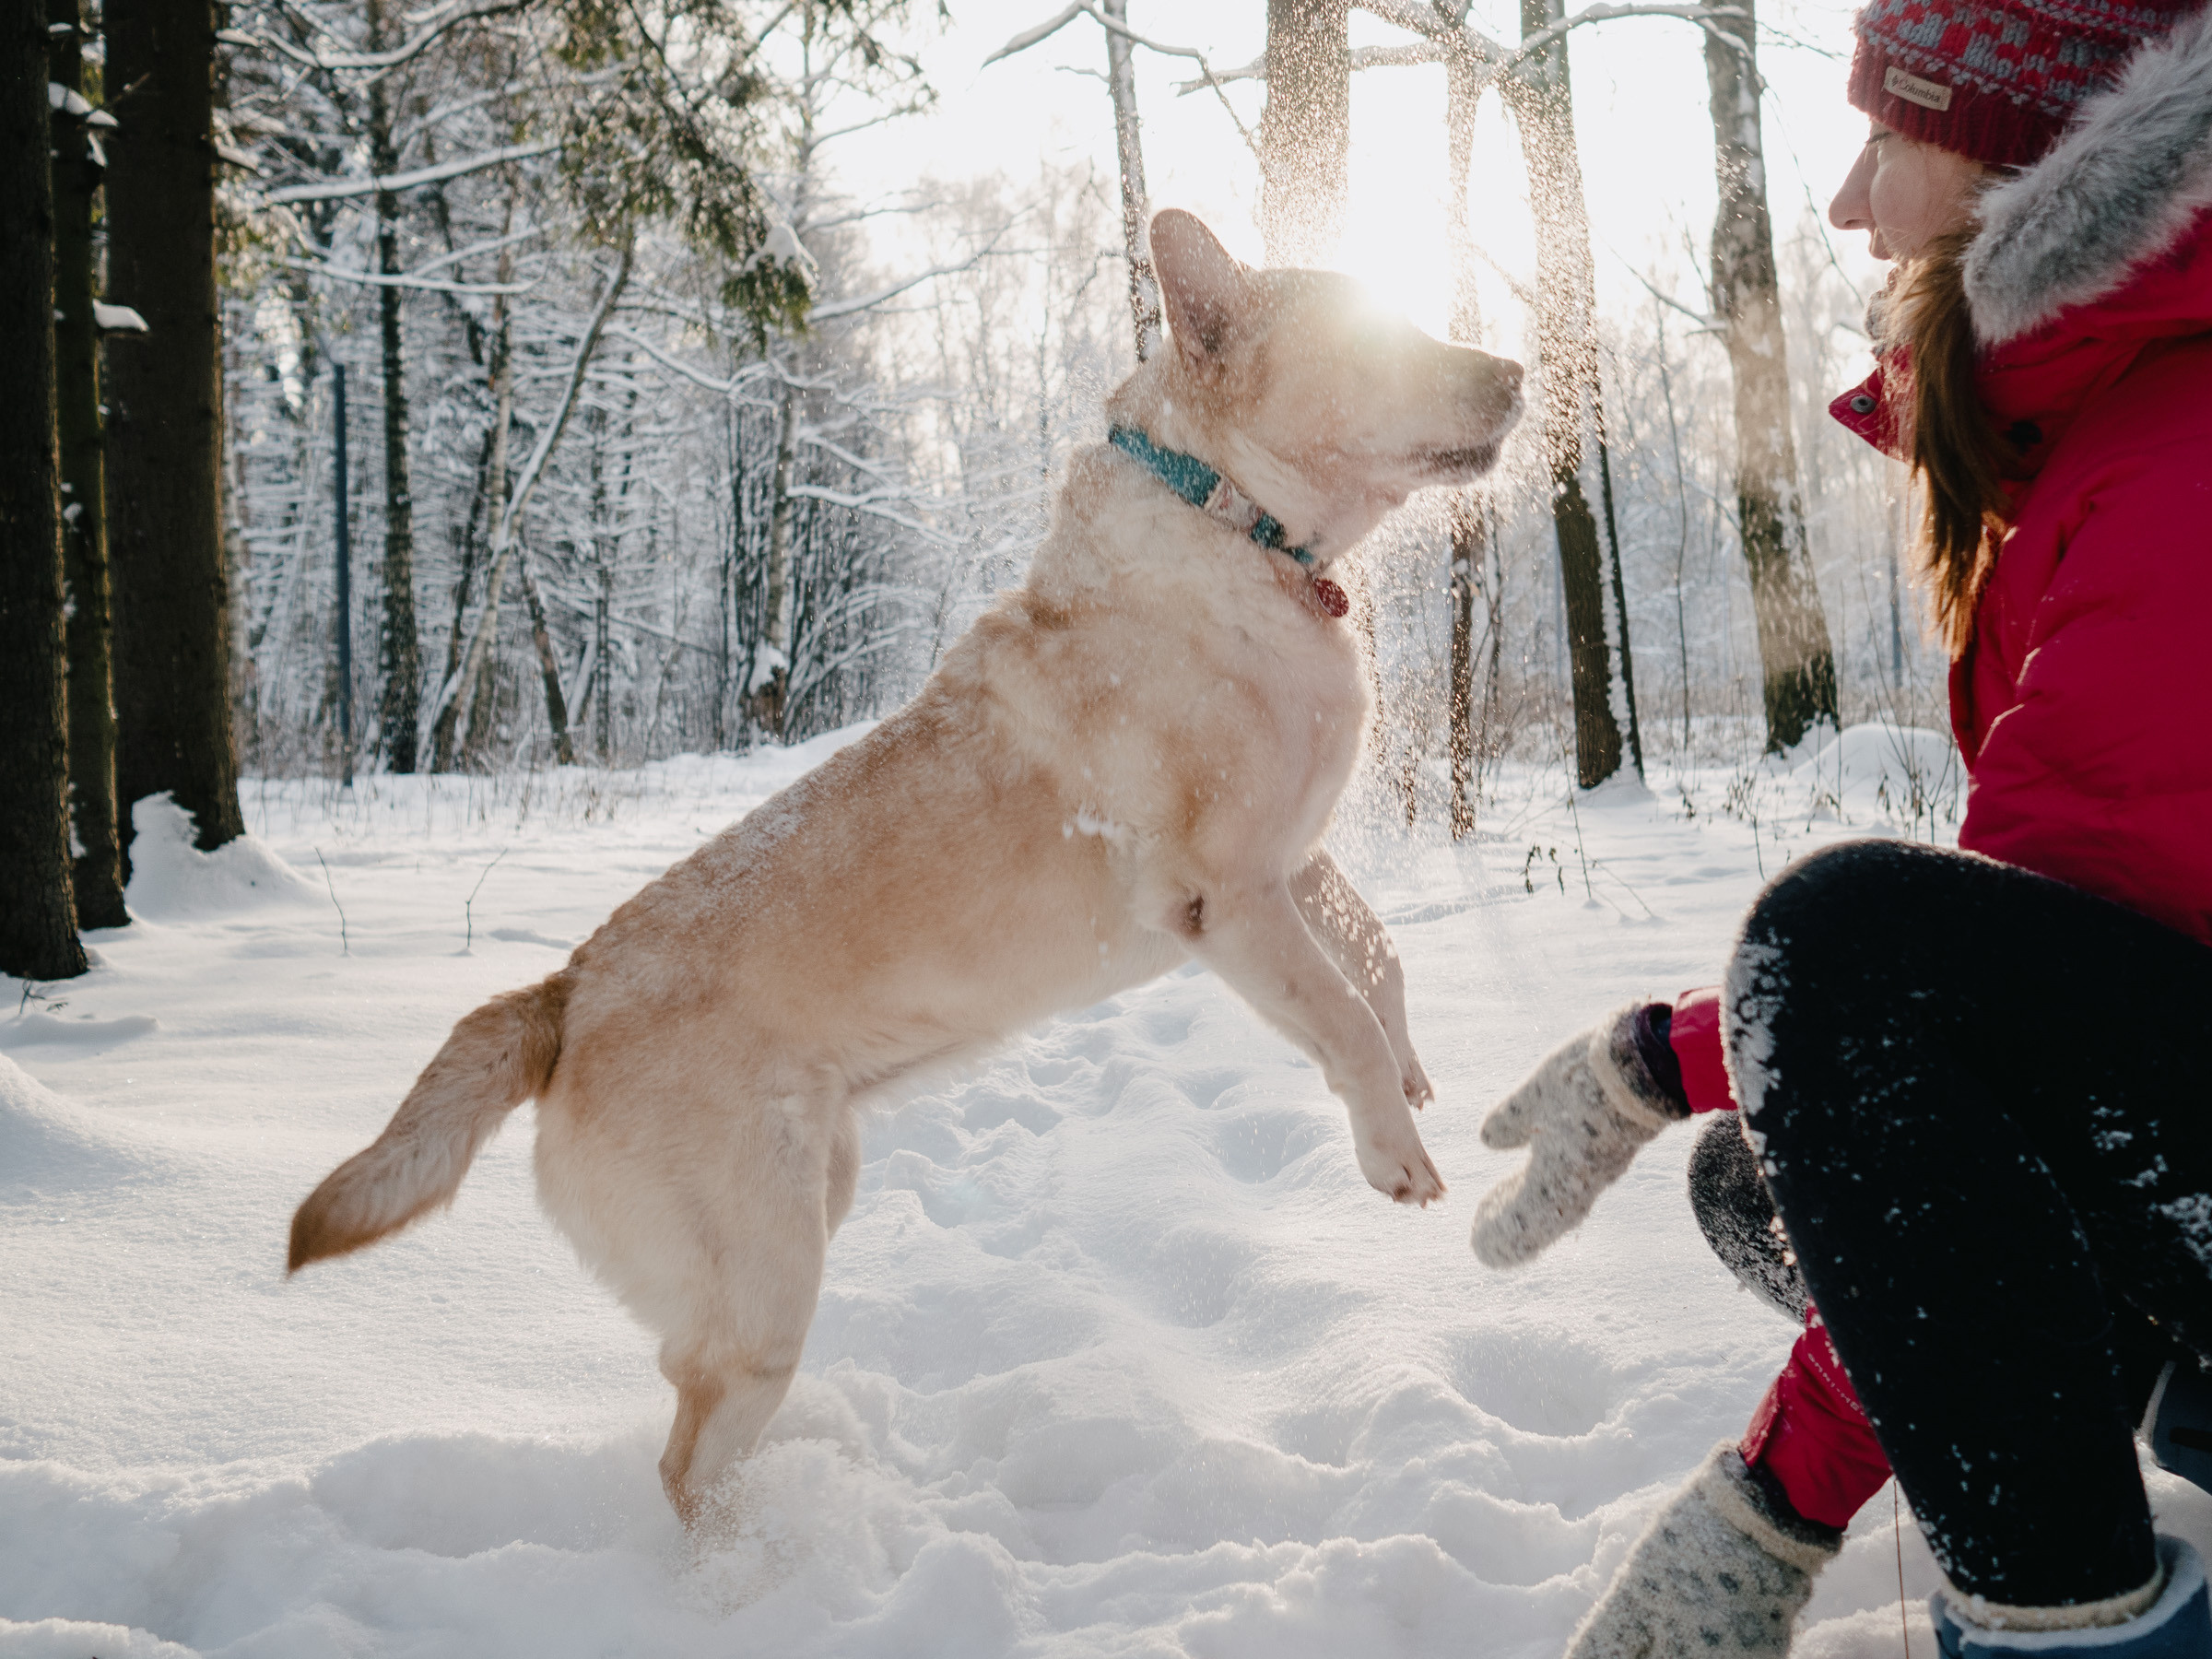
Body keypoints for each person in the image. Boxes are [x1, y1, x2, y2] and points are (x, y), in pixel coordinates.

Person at [1471, 0, 2212, 1651]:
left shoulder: (2182, 459)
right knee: (1768, 1181)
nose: (1846, 204)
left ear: (2037, 168)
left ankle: (2083, 1625)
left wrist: (1769, 1508)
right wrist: (1662, 1067)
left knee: (1844, 956)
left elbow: (1968, 990)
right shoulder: (2118, 436)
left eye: (1890, 140)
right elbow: (2061, 967)